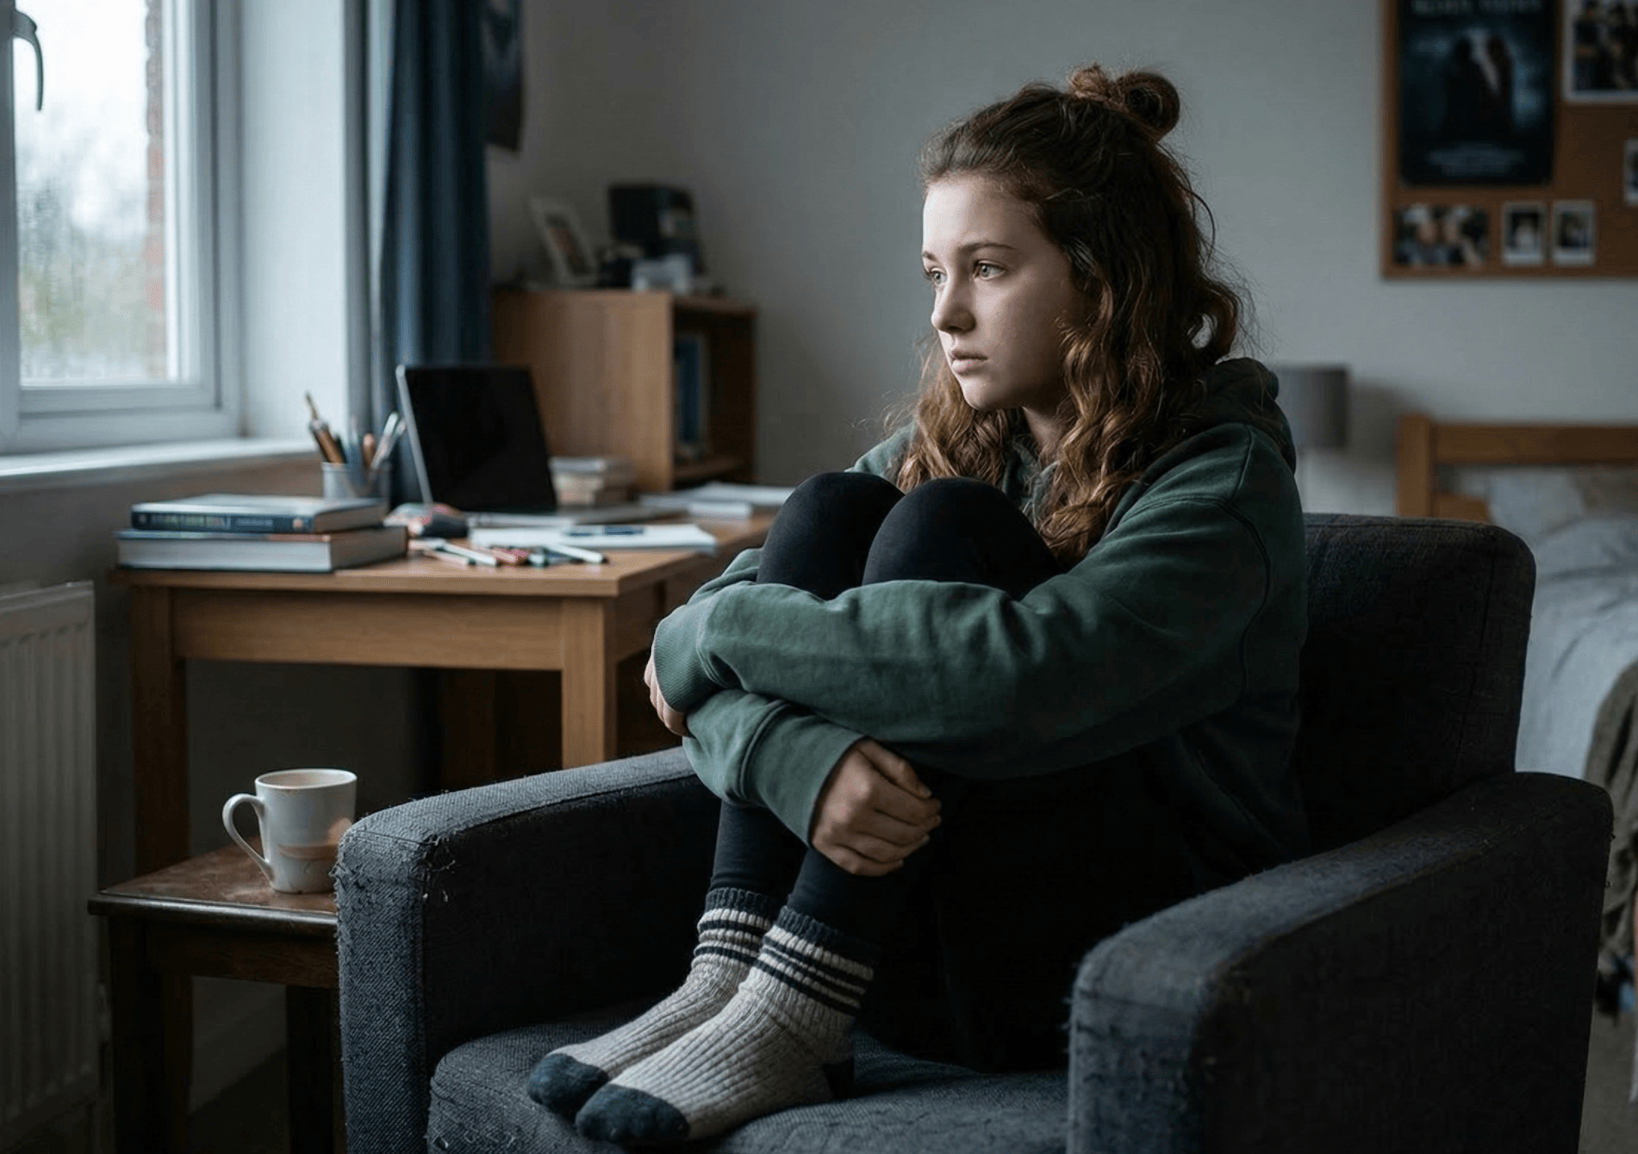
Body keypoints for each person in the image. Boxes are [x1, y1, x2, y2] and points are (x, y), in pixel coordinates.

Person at [526, 63, 1310, 1147]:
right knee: (832, 506)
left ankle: (788, 1005)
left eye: (987, 269)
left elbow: (1014, 678)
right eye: (935, 271)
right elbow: (680, 650)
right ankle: (734, 976)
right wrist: (796, 760)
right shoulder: (962, 436)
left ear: (1102, 277)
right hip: (908, 945)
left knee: (940, 530)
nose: (945, 313)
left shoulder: (1222, 486)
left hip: (1115, 958)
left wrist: (717, 634)